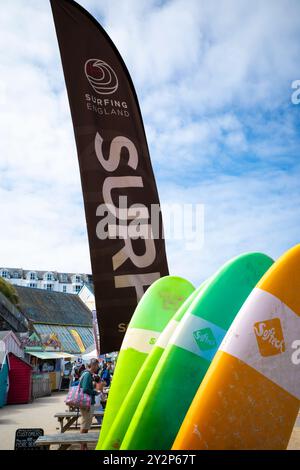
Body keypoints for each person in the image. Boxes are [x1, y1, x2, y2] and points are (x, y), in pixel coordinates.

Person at [79, 358, 100, 450]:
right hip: (87, 403)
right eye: (97, 365)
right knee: (85, 424)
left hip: (85, 402)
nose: (97, 367)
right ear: (93, 365)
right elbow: (86, 389)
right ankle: (83, 445)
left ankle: (84, 445)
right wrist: (95, 392)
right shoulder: (87, 375)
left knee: (85, 423)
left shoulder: (85, 374)